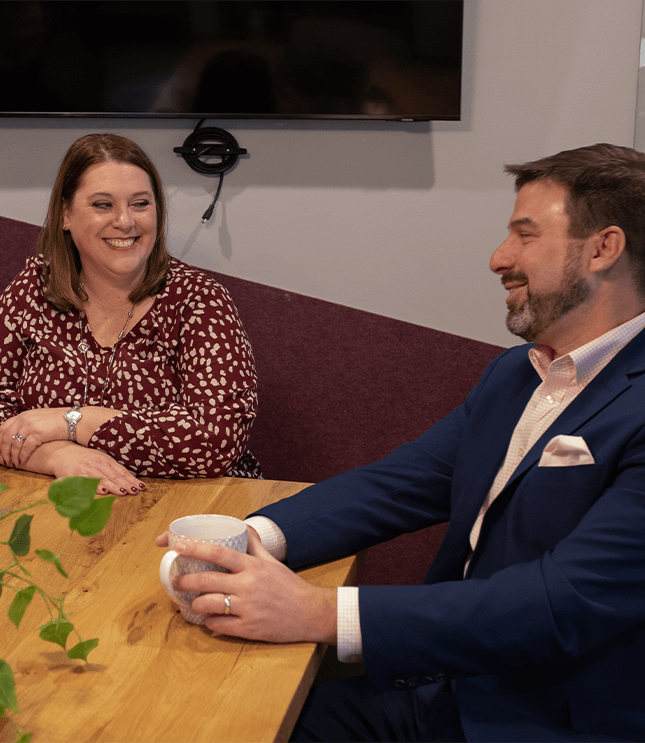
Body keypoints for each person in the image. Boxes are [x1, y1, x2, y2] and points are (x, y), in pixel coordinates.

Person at [157, 143, 645, 742]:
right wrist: (247, 540)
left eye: (525, 235)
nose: (499, 258)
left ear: (603, 248)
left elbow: (559, 604)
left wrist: (318, 613)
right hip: (431, 682)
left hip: (533, 719)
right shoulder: (515, 375)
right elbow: (397, 485)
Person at [0, 133, 260, 495]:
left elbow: (215, 442)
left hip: (190, 509)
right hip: (60, 505)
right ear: (65, 215)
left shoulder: (199, 301)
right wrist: (58, 456)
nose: (125, 221)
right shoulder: (33, 289)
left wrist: (70, 421)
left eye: (140, 204)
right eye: (103, 205)